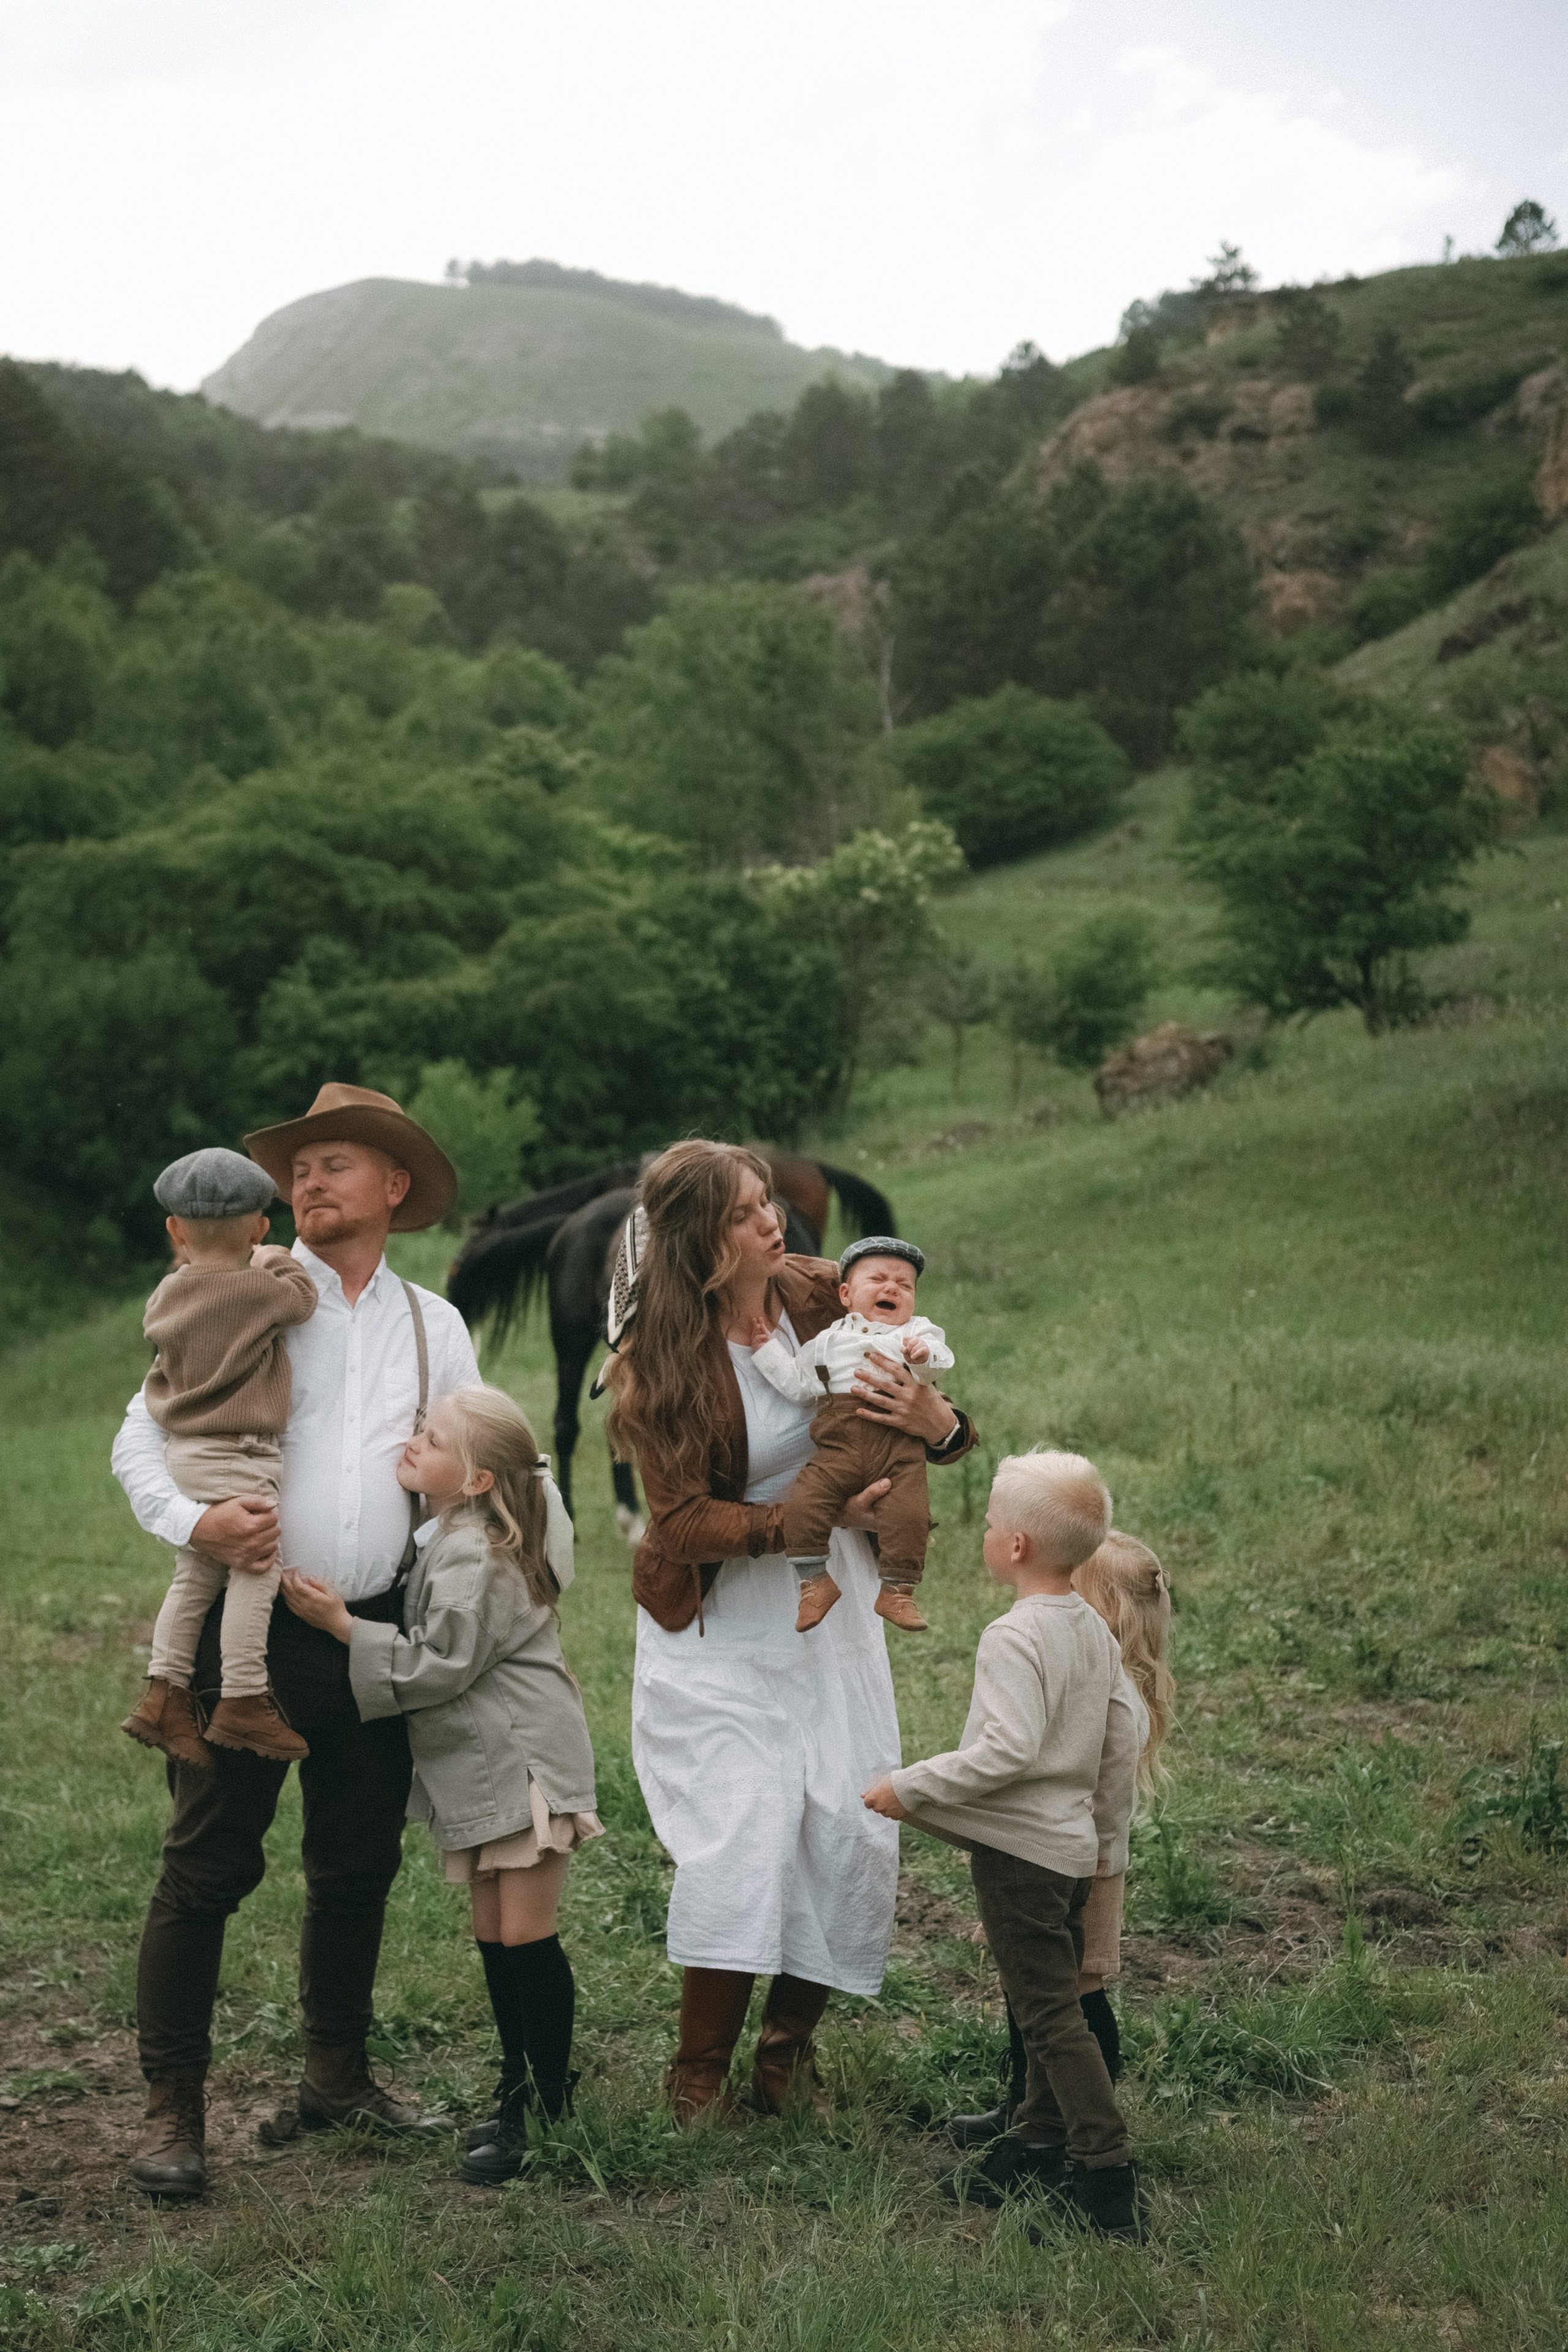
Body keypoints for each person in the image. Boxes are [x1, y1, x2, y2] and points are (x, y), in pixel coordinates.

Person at [110, 1083, 478, 2200]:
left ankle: (336, 2077)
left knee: (357, 1865)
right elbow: (139, 1439)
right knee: (205, 1870)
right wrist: (194, 1520)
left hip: (374, 1631)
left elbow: (482, 1467)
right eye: (299, 1169)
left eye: (337, 1165)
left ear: (394, 1187)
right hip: (251, 1635)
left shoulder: (436, 1324)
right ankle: (174, 2107)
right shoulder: (240, 1291)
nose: (308, 1182)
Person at [602, 1140, 978, 2121]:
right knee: (742, 1837)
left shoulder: (821, 1294)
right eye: (744, 1213)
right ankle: (696, 2077)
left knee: (846, 1825)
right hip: (722, 1619)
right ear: (698, 1241)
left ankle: (786, 2058)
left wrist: (941, 1425)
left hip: (830, 1615)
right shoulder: (661, 1357)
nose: (772, 1222)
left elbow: (930, 1418)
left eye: (768, 1201)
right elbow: (680, 1522)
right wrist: (809, 1519)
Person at [282, 1384, 600, 2186]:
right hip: (487, 1762)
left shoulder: (474, 1551)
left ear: (478, 1479)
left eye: (431, 1438)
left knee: (526, 1935)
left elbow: (439, 1666)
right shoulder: (460, 1531)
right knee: (495, 1935)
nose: (412, 1442)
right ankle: (517, 2084)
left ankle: (544, 2105)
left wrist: (343, 1627)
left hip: (522, 1758)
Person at [862, 1449, 1145, 2243]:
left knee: (1051, 2019)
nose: (983, 1533)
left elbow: (1007, 1751)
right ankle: (1031, 2143)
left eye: (990, 1523)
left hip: (1022, 1860)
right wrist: (1102, 1836)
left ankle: (1105, 2179)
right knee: (1047, 2006)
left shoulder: (1013, 1638)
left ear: (1015, 1546)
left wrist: (908, 1788)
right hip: (1071, 1854)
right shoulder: (1091, 1625)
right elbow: (1123, 1730)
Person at [948, 1528, 1174, 2146]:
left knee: (1073, 1994)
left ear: (1099, 1613)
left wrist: (1091, 1867)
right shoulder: (1079, 1677)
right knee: (1037, 1989)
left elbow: (1106, 1803)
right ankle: (1028, 2108)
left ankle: (1075, 2123)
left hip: (1087, 1863)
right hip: (1060, 1853)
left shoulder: (1110, 1695)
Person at [121, 1147, 318, 1768]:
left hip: (187, 1454)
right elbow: (303, 1299)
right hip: (239, 1454)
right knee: (257, 1567)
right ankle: (242, 1698)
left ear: (174, 1231)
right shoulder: (260, 1289)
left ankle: (164, 1694)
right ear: (259, 1227)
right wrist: (279, 1259)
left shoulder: (164, 1296)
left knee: (197, 1574)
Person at [747, 1235, 953, 1634]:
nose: (891, 1288)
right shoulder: (827, 1342)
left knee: (910, 1513)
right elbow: (798, 1384)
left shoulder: (916, 1332)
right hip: (838, 1444)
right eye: (877, 1279)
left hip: (897, 1448)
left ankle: (898, 1590)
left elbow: (939, 1365)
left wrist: (923, 1358)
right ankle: (814, 1582)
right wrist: (765, 1351)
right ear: (846, 1293)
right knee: (806, 1499)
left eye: (904, 1285)